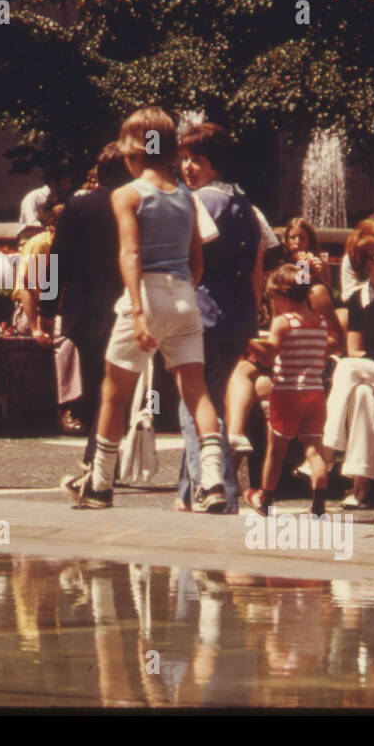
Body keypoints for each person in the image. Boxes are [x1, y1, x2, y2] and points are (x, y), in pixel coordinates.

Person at [63, 106, 227, 509]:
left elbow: (131, 253)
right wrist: (181, 294)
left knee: (114, 392)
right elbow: (197, 263)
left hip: (147, 296)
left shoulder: (127, 195)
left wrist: (138, 312)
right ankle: (212, 482)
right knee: (197, 392)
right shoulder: (187, 197)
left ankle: (99, 483)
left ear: (133, 152)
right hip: (184, 297)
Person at [173, 121, 261, 513]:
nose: (188, 167)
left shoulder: (200, 202)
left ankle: (217, 491)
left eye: (198, 160)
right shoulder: (245, 204)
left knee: (195, 401)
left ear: (216, 164)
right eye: (186, 159)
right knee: (211, 401)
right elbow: (257, 267)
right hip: (237, 316)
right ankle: (186, 493)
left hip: (202, 314)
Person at [41, 143, 133, 476]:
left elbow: (56, 259)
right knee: (120, 384)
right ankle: (103, 452)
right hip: (125, 304)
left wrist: (47, 306)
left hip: (84, 309)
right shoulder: (136, 204)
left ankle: (100, 453)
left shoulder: (77, 206)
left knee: (97, 382)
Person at [227, 217, 344, 455]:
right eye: (293, 238)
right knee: (238, 375)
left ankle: (252, 477)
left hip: (301, 371)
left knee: (246, 388)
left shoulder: (313, 291)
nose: (298, 243)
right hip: (277, 362)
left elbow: (300, 296)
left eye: (303, 238)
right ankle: (235, 439)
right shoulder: (276, 283)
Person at [324, 218, 374, 509]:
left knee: (345, 368)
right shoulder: (357, 300)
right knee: (362, 395)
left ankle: (327, 450)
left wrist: (365, 363)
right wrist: (366, 366)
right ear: (364, 264)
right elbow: (354, 348)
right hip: (371, 373)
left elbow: (356, 357)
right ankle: (361, 485)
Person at [244, 264, 332, 515]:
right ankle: (318, 502)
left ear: (283, 296)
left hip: (287, 392)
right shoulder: (321, 323)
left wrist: (247, 340)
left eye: (274, 299)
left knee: (276, 450)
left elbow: (269, 355)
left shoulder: (284, 322)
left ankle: (266, 498)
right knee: (314, 449)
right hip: (315, 391)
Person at [12, 198, 84, 435]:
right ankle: (67, 408)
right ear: (53, 226)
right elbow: (26, 290)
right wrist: (35, 328)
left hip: (60, 309)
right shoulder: (40, 246)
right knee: (67, 337)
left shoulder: (75, 246)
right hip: (31, 311)